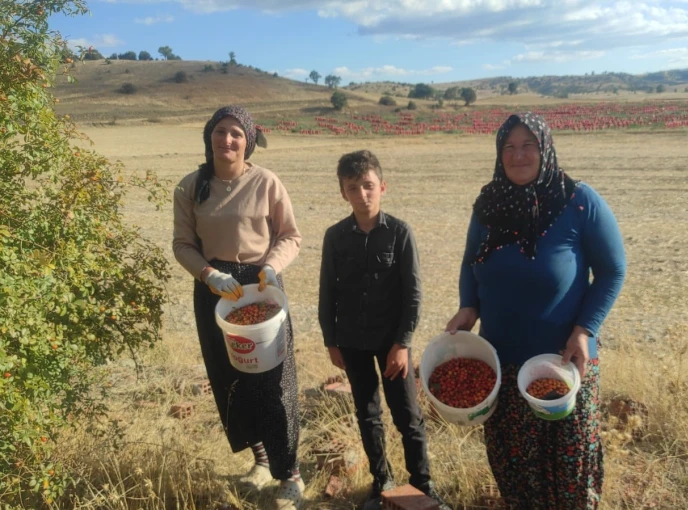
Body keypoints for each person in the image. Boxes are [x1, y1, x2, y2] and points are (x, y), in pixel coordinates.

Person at [445, 112, 626, 509]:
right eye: (509, 146)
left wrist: (585, 329)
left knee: (570, 466)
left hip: (565, 361)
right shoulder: (488, 203)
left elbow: (613, 270)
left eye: (528, 145)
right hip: (502, 364)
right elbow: (468, 261)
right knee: (514, 464)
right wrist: (468, 306)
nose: (518, 155)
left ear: (545, 148)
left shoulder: (578, 201)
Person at [172, 105, 304, 510]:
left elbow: (290, 236)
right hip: (215, 291)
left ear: (248, 142)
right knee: (231, 379)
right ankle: (261, 461)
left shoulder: (266, 182)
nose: (227, 140)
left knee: (274, 382)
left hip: (261, 287)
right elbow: (183, 244)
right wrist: (209, 274)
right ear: (209, 135)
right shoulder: (190, 187)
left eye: (236, 134)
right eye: (220, 131)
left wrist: (270, 267)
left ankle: (291, 475)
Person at [318, 150, 452, 510]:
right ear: (342, 193)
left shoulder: (399, 233)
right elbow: (327, 291)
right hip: (352, 341)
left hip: (392, 344)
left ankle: (423, 484)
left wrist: (402, 343)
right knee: (367, 413)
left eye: (368, 185)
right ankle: (382, 481)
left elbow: (413, 294)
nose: (362, 194)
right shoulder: (335, 237)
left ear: (382, 186)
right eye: (353, 187)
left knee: (407, 415)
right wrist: (331, 341)